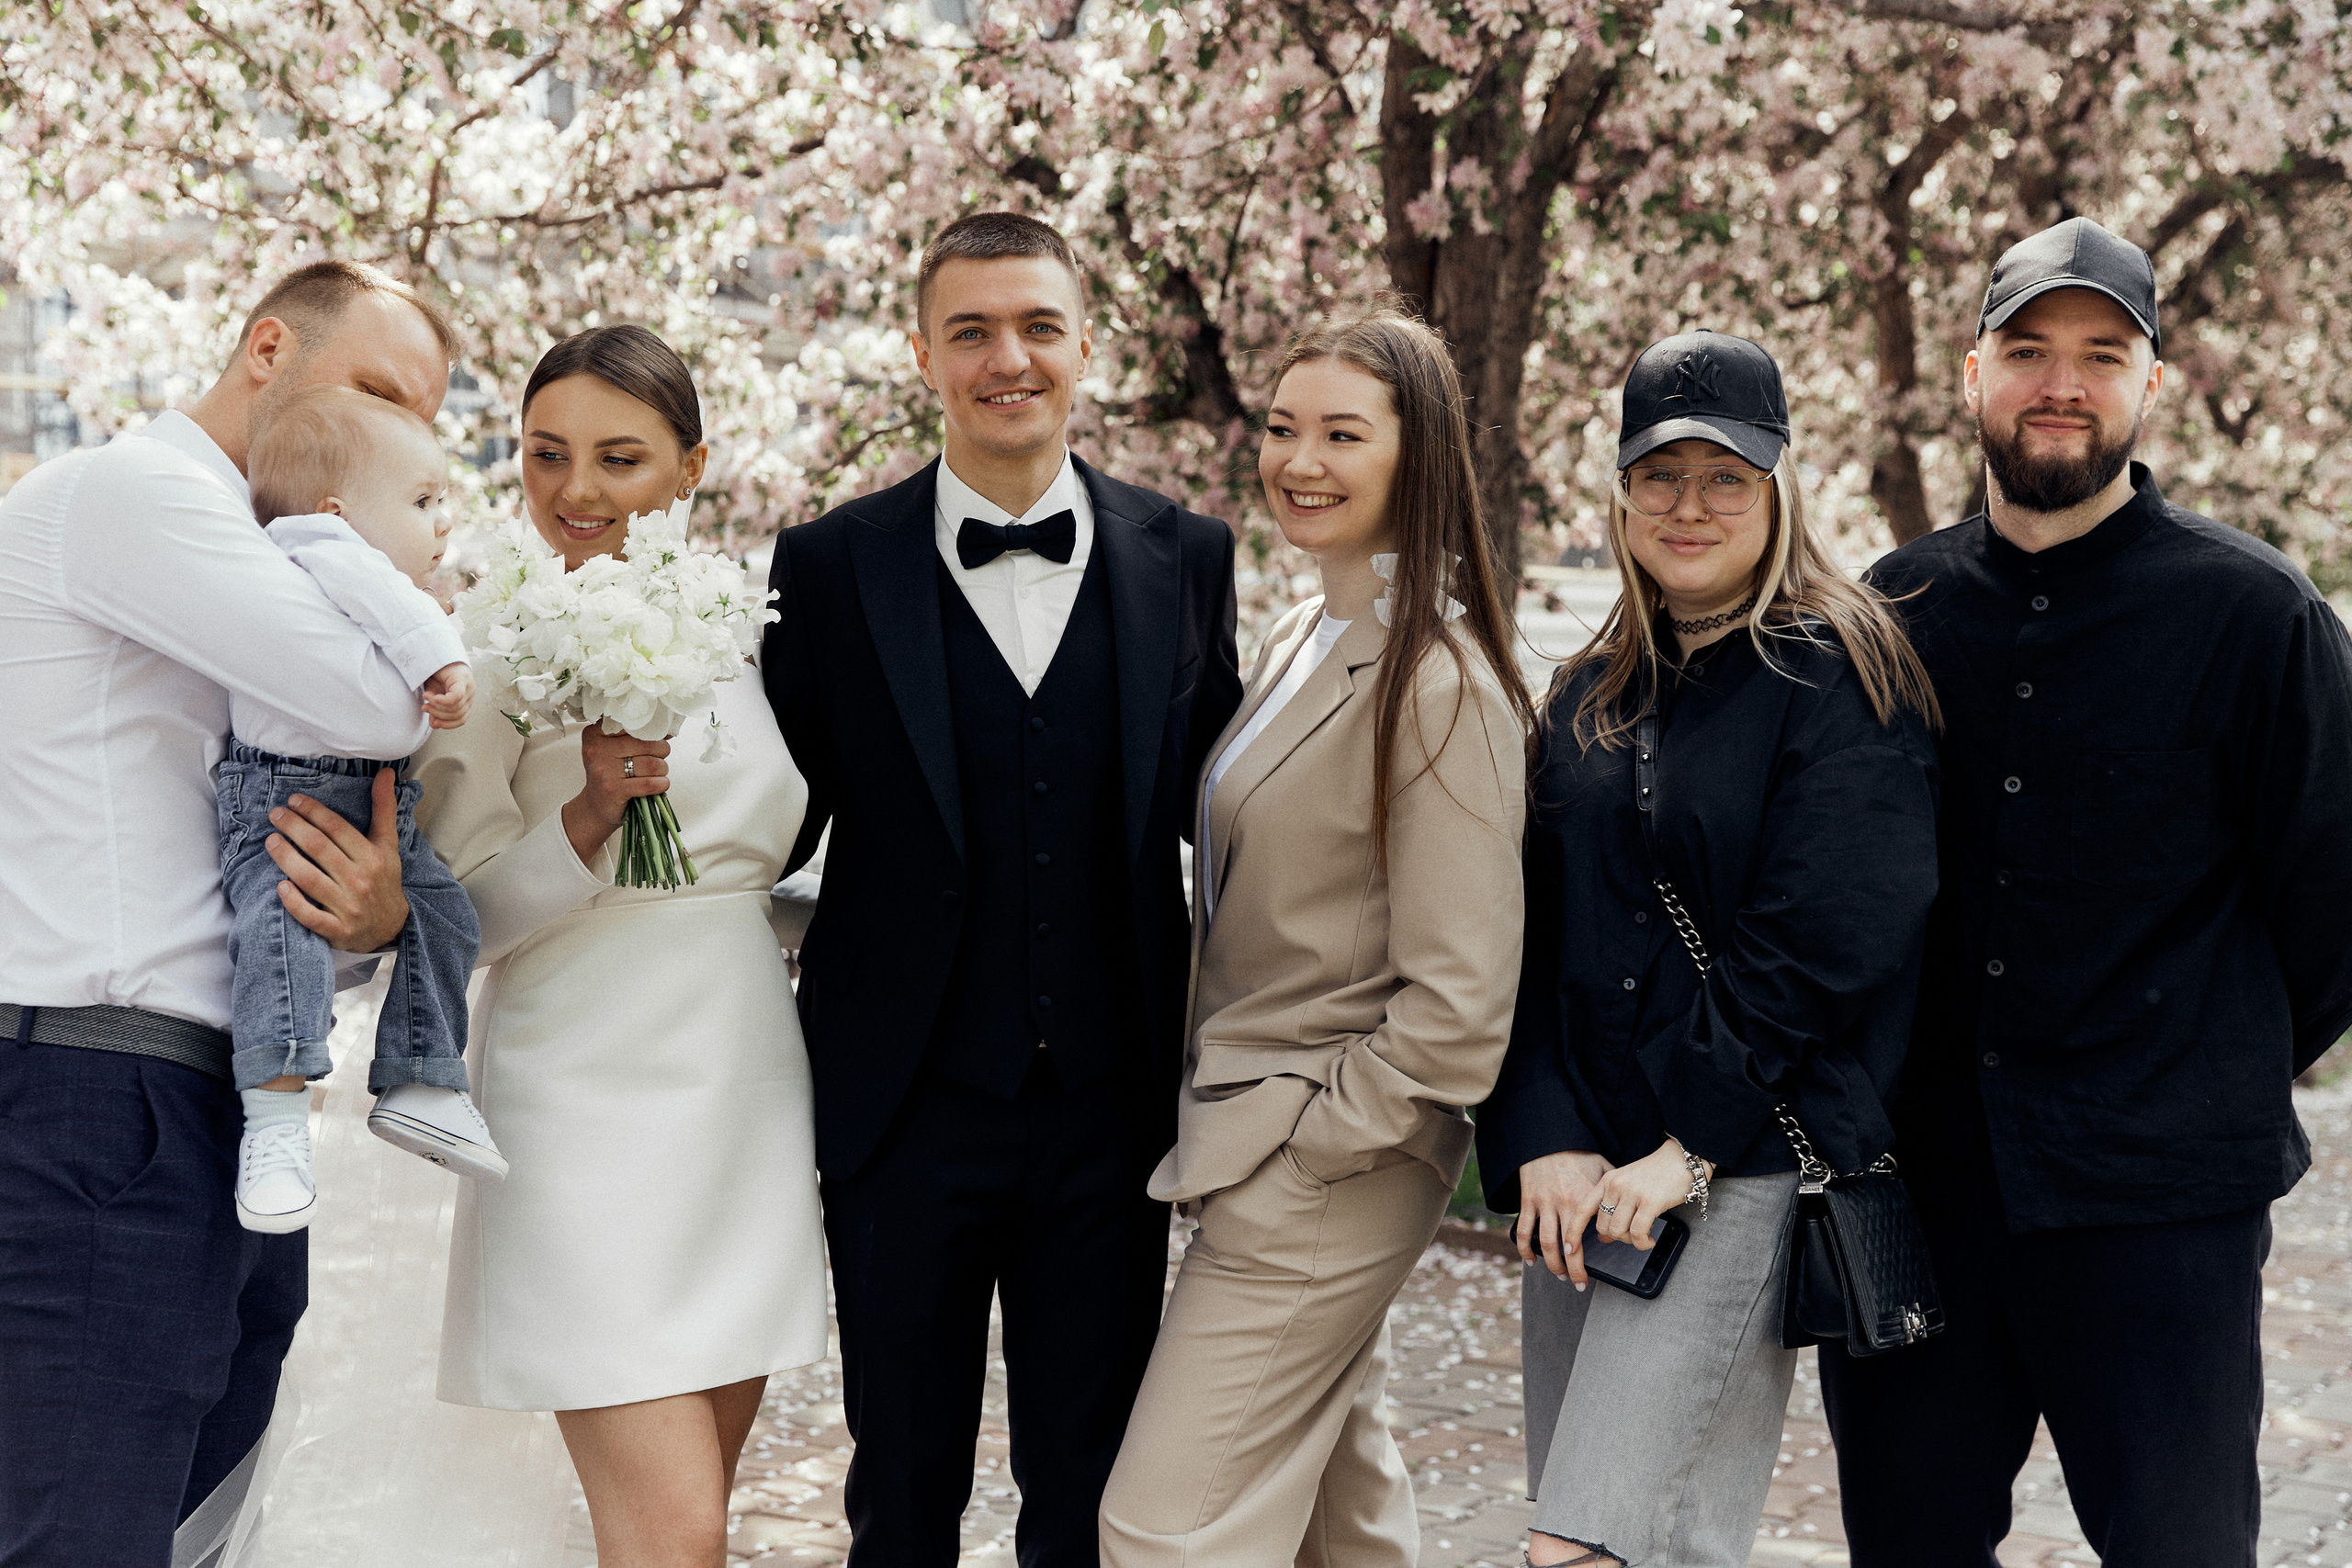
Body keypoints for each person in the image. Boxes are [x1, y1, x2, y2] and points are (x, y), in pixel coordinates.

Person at [1825, 217, 2352, 1563]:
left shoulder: (2257, 616)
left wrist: (2196, 1067)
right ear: (1971, 373)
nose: (2061, 381)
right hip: (1927, 1199)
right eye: (2028, 350)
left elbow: (2333, 904)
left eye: (2100, 354)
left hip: (2161, 1208)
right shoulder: (1891, 610)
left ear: (2150, 385)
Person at [762, 210, 1243, 1566]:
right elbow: (763, 814)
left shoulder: (1187, 556)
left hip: (1110, 1108)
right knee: (900, 1489)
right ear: (923, 354)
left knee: (1086, 1497)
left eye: (1037, 325)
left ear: (1086, 344)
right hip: (901, 1109)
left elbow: (1244, 800)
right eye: (970, 330)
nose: (1006, 358)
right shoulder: (829, 565)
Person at [0, 259, 455, 1567]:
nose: (400, 437)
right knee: (83, 1534)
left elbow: (295, 830)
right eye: (376, 390)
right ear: (267, 350)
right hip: (99, 1091)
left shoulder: (268, 557)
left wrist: (366, 920)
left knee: (183, 1524)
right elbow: (383, 710)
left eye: (423, 414)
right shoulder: (140, 494)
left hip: (202, 1097)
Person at [1475, 330, 1943, 1567]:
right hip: (1583, 1185)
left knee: (1597, 1542)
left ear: (1779, 484)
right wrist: (1546, 1132)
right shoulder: (1585, 690)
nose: (1692, 504)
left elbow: (1831, 944)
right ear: (1622, 491)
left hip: (1731, 1169)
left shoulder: (1844, 673)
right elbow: (1527, 929)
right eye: (1662, 474)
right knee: (1613, 1531)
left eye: (1726, 475)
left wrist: (1681, 1148)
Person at [1097, 304, 1532, 1565]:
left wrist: (1312, 1146)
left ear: (1420, 454)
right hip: (1255, 1132)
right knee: (1344, 1526)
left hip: (1322, 1162)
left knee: (1161, 1526)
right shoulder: (1300, 634)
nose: (1302, 460)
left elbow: (1458, 1002)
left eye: (1345, 433)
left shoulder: (1440, 677)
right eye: (1286, 428)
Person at [412, 324, 828, 1567]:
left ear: (692, 468)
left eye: (620, 458)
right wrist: (591, 811)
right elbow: (459, 924)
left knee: (690, 1517)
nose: (577, 491)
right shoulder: (479, 653)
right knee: (676, 1529)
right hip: (579, 1104)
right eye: (546, 455)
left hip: (743, 1094)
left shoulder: (752, 629)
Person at [221, 385, 501, 1235]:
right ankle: (274, 1129)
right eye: (422, 500)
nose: (442, 520)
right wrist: (441, 660)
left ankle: (422, 1070)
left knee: (446, 915)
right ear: (340, 511)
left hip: (370, 797)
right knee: (280, 940)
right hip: (283, 796)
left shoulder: (345, 567)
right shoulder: (315, 543)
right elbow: (389, 606)